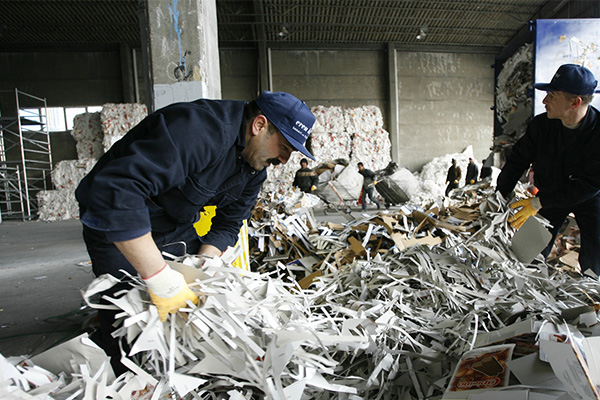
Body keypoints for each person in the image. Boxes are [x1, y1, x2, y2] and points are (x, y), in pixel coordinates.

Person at [75, 90, 316, 374]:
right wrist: (159, 276)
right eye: (284, 148)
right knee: (129, 323)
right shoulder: (199, 129)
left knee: (188, 319)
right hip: (118, 225)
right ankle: (129, 378)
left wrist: (205, 263)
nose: (284, 161)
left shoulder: (253, 170)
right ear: (259, 125)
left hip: (174, 225)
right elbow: (118, 192)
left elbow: (230, 222)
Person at [496, 63, 600, 275]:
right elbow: (518, 160)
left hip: (590, 197)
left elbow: (591, 184)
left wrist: (537, 202)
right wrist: (500, 194)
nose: (544, 101)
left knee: (596, 252)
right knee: (530, 251)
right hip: (552, 193)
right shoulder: (542, 125)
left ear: (575, 102)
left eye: (552, 95)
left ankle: (591, 295)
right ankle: (529, 288)